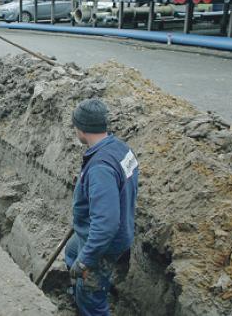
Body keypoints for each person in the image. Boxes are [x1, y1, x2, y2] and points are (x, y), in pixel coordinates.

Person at [65, 98, 139, 316]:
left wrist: (86, 261)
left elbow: (106, 224)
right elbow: (121, 183)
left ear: (81, 128)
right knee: (71, 252)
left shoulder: (100, 169)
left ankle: (87, 301)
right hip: (95, 232)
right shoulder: (120, 148)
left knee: (91, 297)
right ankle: (77, 292)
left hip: (103, 243)